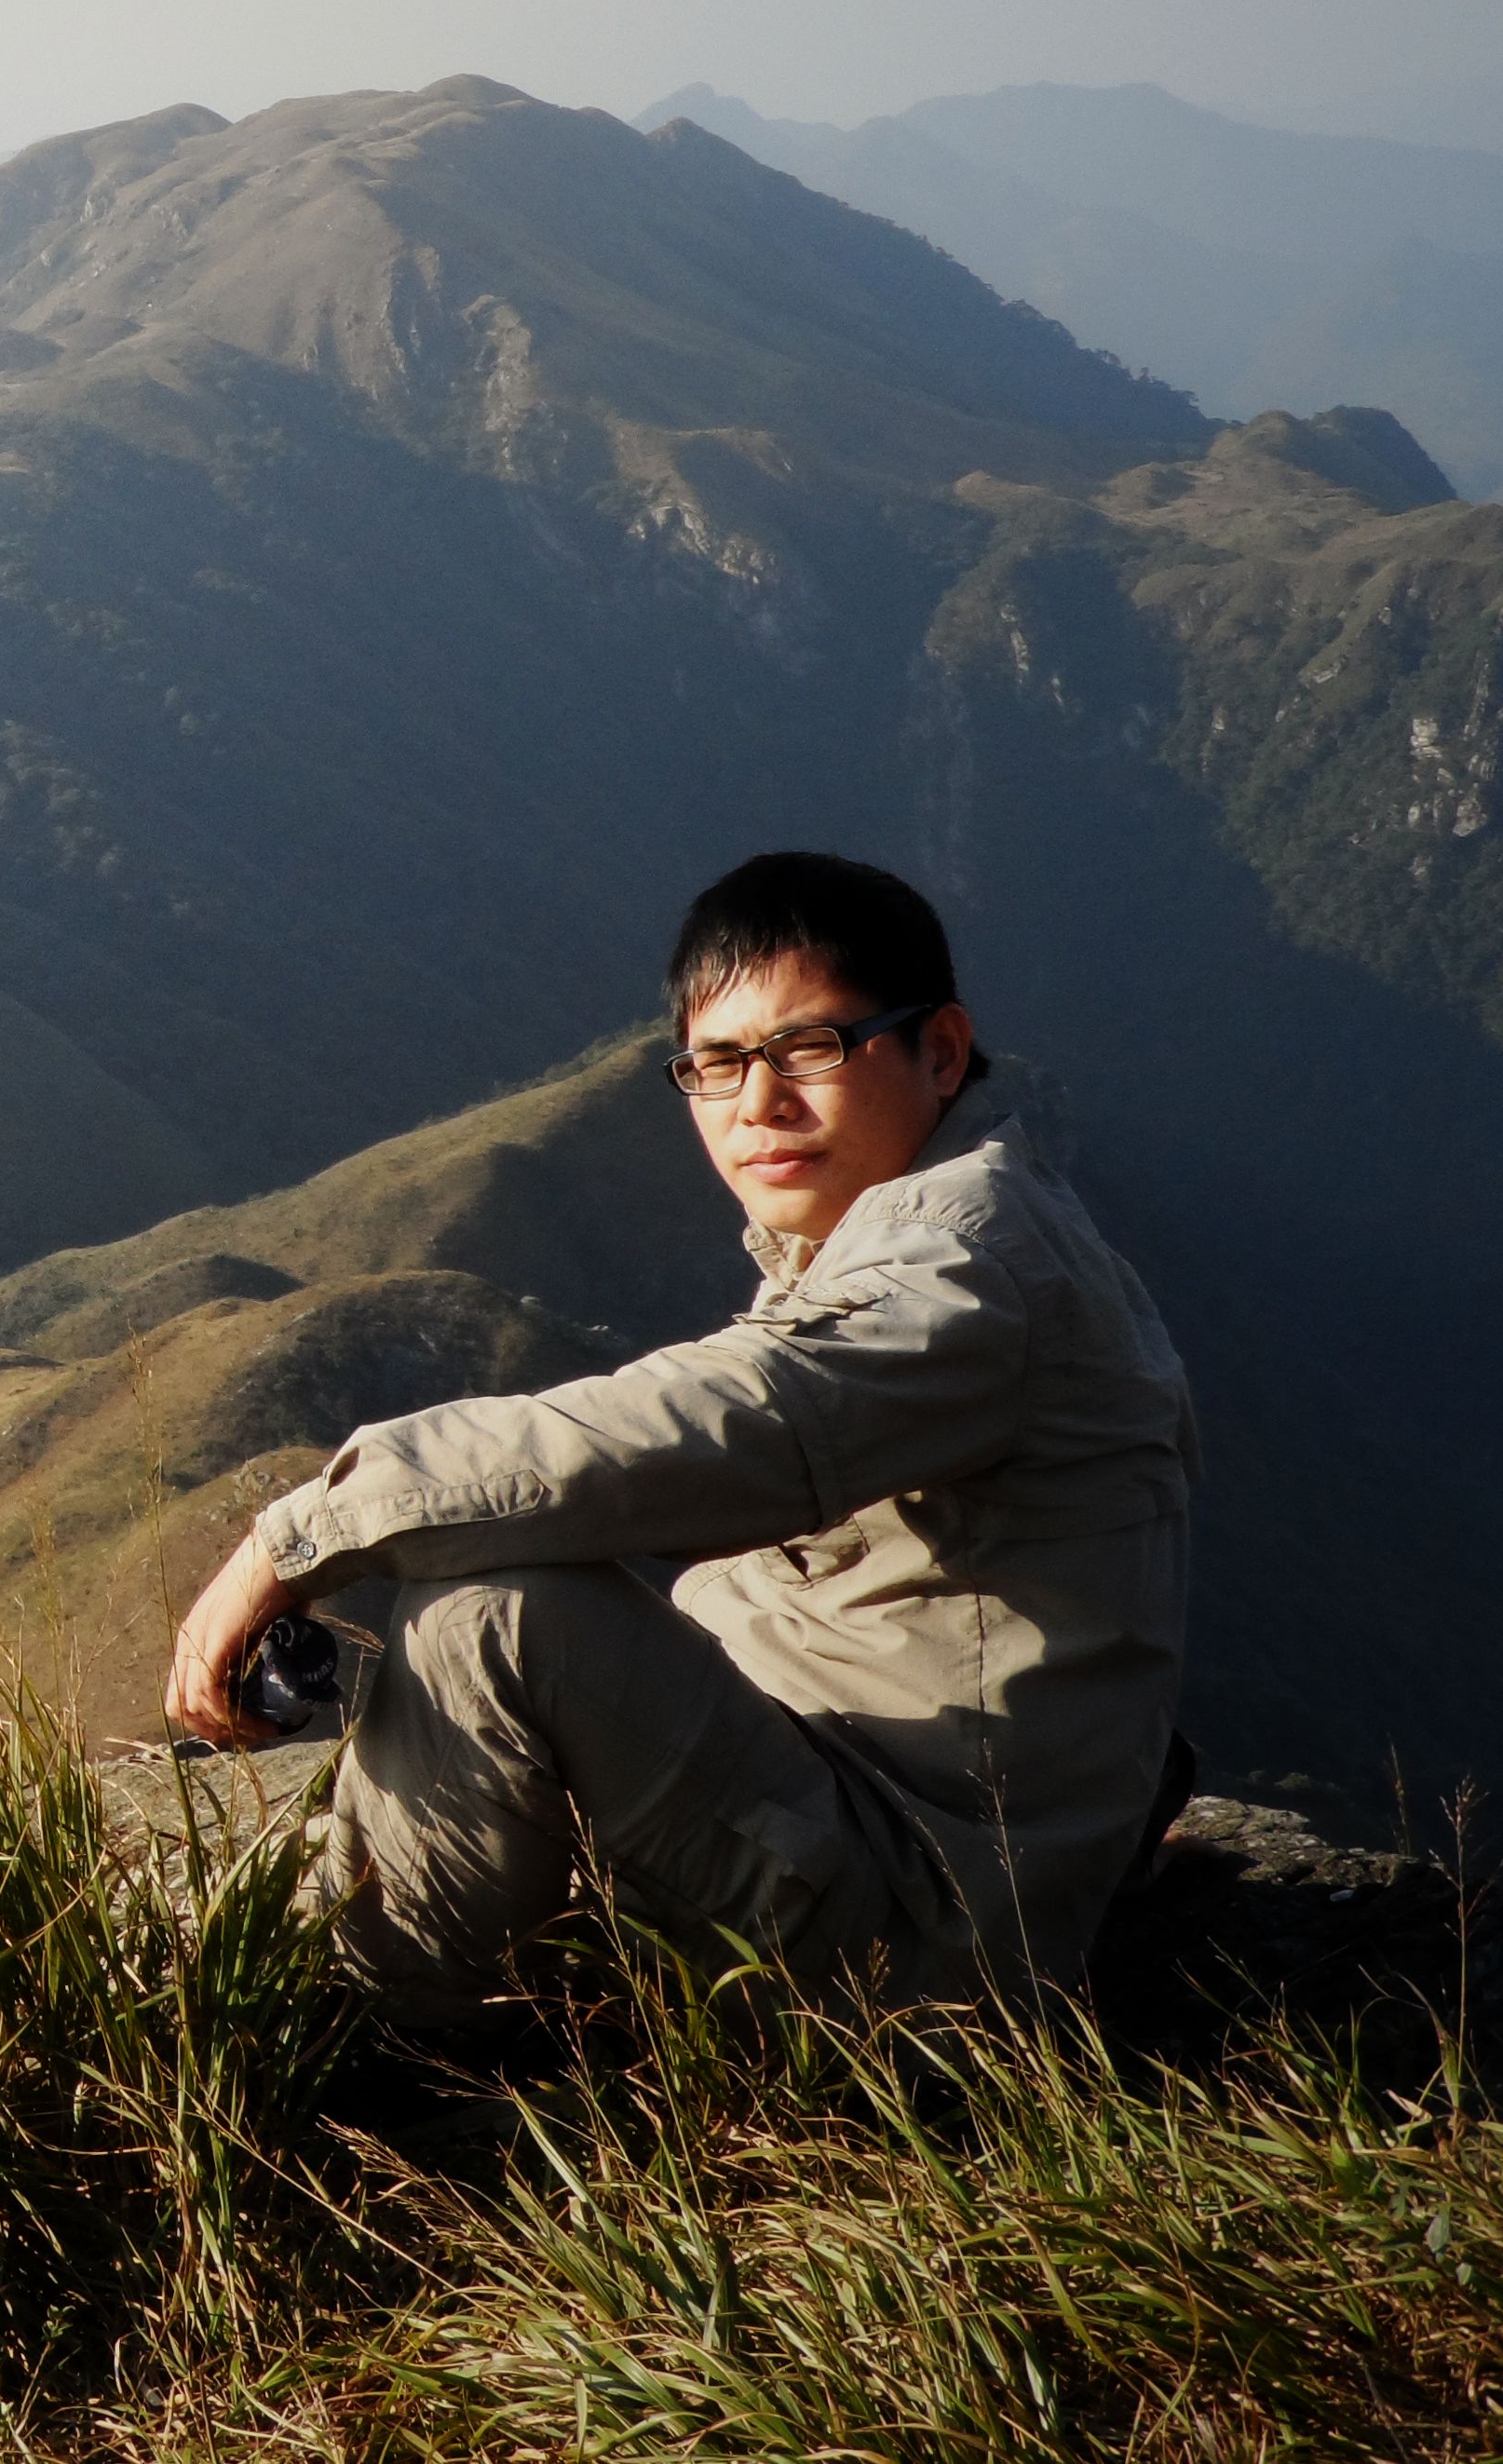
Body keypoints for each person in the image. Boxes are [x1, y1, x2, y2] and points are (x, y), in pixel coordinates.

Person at [164, 851, 1193, 2011]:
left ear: (939, 1050)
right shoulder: (905, 1231)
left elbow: (729, 1423)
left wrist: (304, 1535)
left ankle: (363, 2040)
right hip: (861, 1817)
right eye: (717, 1065)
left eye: (811, 1049)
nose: (759, 1103)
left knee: (496, 1625)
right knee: (518, 1566)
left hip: (923, 1926)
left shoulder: (965, 1266)